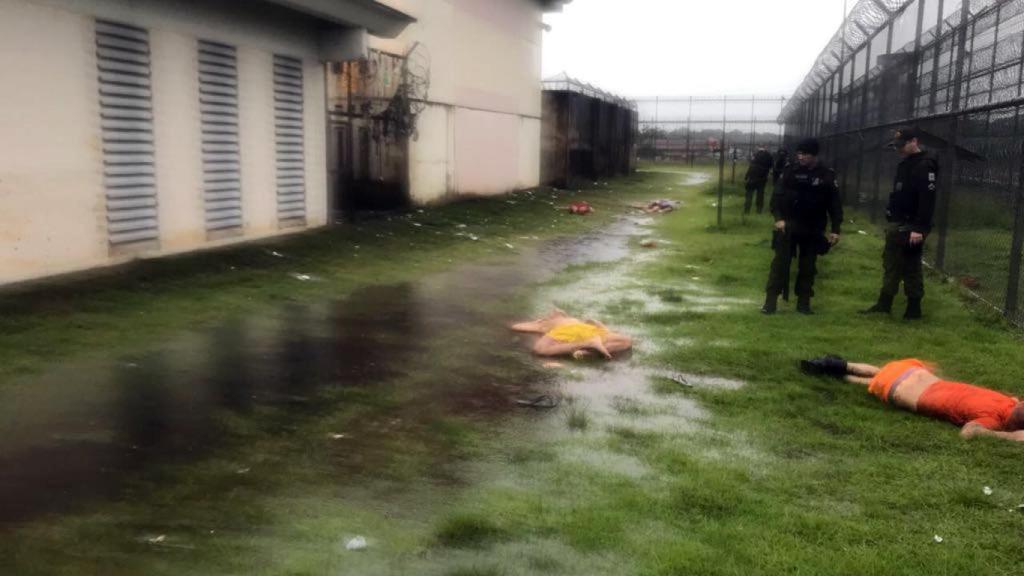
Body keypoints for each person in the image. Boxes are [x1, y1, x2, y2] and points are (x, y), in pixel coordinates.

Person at [801, 355, 1024, 442]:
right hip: (914, 395)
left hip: (921, 377)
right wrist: (1011, 438)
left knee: (881, 373)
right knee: (874, 383)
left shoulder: (1008, 402)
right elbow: (969, 433)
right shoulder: (992, 420)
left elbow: (1017, 403)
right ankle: (839, 373)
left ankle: (840, 365)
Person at [861, 126, 939, 320]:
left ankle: (913, 308)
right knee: (891, 263)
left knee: (911, 266)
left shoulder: (925, 165)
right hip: (898, 223)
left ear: (914, 142)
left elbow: (926, 200)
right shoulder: (906, 164)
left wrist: (919, 228)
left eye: (902, 145)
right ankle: (884, 303)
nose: (899, 149)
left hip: (911, 226)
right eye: (897, 146)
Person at [761, 138, 843, 315]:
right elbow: (776, 198)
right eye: (799, 153)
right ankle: (770, 302)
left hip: (813, 227)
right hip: (788, 226)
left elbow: (834, 205)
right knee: (780, 265)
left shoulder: (826, 174)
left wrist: (836, 229)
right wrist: (778, 219)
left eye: (805, 154)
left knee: (808, 267)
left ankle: (804, 303)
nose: (801, 157)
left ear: (814, 155)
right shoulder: (790, 171)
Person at [510, 308, 632, 359]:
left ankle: (588, 344)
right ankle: (588, 352)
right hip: (589, 331)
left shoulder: (547, 323)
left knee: (539, 350)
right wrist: (600, 325)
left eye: (553, 312)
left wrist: (536, 322)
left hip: (571, 332)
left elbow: (516, 327)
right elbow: (605, 330)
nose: (553, 311)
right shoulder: (575, 320)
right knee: (627, 341)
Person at [744, 146, 774, 215]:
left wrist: (746, 177)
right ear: (765, 148)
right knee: (760, 194)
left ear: (759, 148)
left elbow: (751, 166)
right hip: (762, 178)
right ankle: (759, 210)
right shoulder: (769, 156)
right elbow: (771, 167)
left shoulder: (755, 154)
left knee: (749, 194)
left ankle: (747, 210)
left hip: (752, 177)